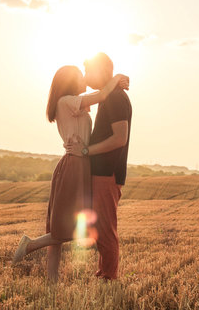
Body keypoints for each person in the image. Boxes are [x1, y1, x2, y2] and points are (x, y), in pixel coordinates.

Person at [12, 64, 129, 283]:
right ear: (69, 81)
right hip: (75, 164)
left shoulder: (73, 102)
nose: (84, 77)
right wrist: (116, 79)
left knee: (62, 226)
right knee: (68, 228)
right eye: (80, 74)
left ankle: (51, 283)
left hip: (80, 163)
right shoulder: (66, 102)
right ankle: (30, 245)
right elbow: (102, 94)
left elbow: (99, 96)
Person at [66, 52, 132, 281]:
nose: (85, 75)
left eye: (88, 70)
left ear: (100, 71)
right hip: (102, 171)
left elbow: (119, 138)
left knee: (105, 229)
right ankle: (104, 272)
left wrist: (85, 151)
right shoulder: (109, 95)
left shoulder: (115, 97)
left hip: (107, 172)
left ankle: (109, 278)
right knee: (101, 228)